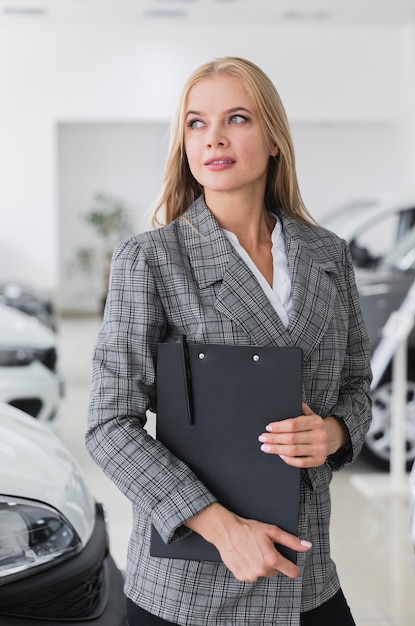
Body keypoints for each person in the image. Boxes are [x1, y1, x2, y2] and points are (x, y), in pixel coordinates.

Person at [86, 56, 372, 625]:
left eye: (236, 118)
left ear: (273, 141)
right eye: (195, 123)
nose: (212, 138)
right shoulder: (152, 260)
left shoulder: (329, 256)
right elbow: (107, 425)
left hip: (308, 578)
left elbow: (357, 388)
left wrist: (334, 432)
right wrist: (221, 527)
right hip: (192, 588)